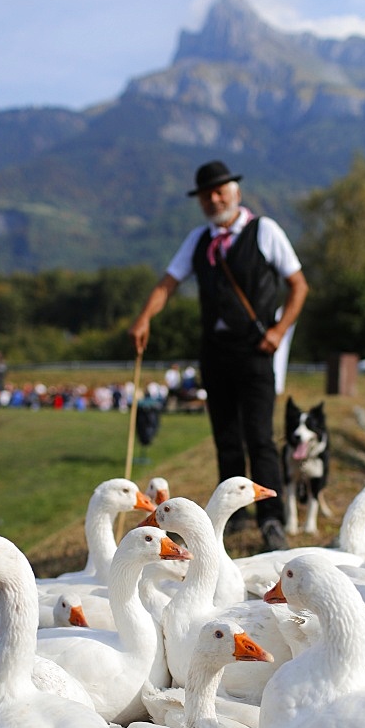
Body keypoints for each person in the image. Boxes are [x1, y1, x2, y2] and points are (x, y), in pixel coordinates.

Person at [129, 159, 309, 551]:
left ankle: (271, 520)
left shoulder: (265, 231)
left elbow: (298, 285)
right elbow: (167, 283)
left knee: (259, 437)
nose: (214, 199)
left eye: (220, 191)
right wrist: (144, 318)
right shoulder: (198, 240)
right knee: (225, 438)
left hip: (256, 348)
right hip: (215, 351)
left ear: (235, 192)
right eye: (206, 194)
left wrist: (278, 331)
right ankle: (232, 517)